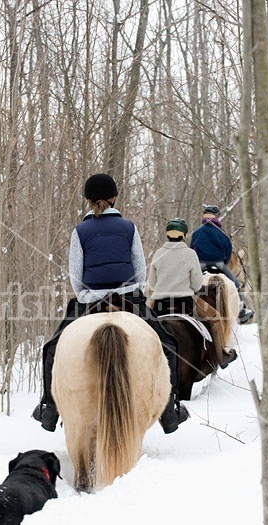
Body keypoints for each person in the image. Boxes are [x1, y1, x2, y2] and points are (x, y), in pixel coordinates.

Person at [32, 173, 189, 434]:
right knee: (169, 344)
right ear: (115, 198)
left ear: (87, 200)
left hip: (90, 300)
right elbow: (140, 270)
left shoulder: (80, 231)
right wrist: (129, 289)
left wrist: (86, 295)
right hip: (129, 299)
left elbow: (75, 274)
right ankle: (169, 411)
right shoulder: (129, 227)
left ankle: (50, 409)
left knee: (51, 348)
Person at [147, 218, 237, 369]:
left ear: (167, 234)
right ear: (183, 235)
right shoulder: (190, 254)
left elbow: (152, 283)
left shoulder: (158, 254)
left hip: (160, 303)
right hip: (185, 302)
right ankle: (222, 356)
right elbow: (196, 284)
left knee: (143, 322)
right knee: (215, 317)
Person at [190, 205, 254, 324]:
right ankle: (242, 309)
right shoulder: (221, 232)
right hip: (218, 264)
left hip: (201, 264)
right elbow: (228, 250)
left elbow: (191, 249)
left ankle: (186, 305)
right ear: (217, 217)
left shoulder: (197, 232)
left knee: (189, 284)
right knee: (235, 283)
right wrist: (223, 262)